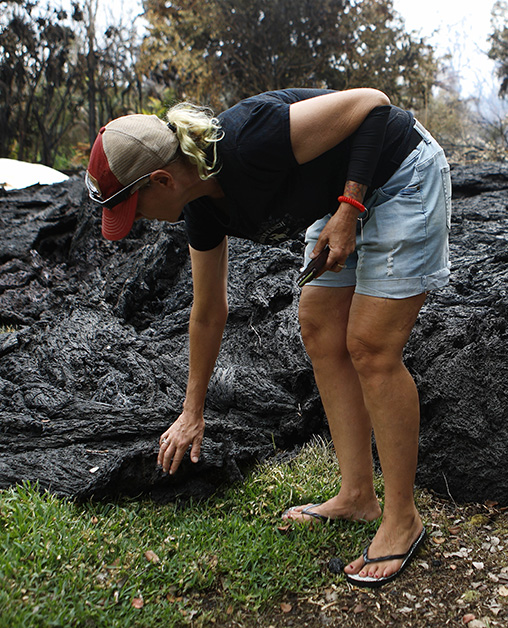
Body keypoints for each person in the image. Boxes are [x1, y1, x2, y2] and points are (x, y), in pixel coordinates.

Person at [84, 88, 451, 588]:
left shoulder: (249, 139)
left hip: (399, 172)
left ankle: (403, 518)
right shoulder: (201, 209)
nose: (139, 223)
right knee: (319, 327)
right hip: (339, 193)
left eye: (135, 209)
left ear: (162, 179)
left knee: (370, 345)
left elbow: (374, 105)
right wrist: (193, 412)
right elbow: (209, 311)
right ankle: (357, 496)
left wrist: (348, 208)